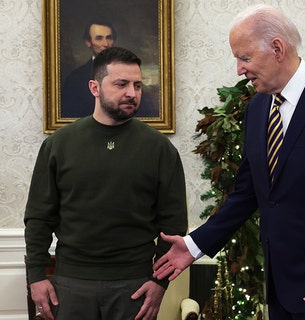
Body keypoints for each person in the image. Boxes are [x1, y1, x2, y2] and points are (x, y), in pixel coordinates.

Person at [153, 4, 305, 320]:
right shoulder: (258, 108)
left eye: (244, 58)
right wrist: (195, 245)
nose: (238, 69)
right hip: (279, 286)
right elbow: (247, 194)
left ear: (277, 48)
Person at [24, 46, 188, 320]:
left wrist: (160, 283)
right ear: (94, 87)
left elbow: (173, 225)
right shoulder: (59, 144)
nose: (131, 93)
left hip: (135, 285)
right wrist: (36, 277)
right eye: (121, 84)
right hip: (71, 282)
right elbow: (39, 217)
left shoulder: (160, 149)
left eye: (137, 85)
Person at [61, 19, 157, 118]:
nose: (105, 44)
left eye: (109, 38)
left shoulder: (130, 74)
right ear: (88, 42)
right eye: (99, 38)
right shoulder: (75, 78)